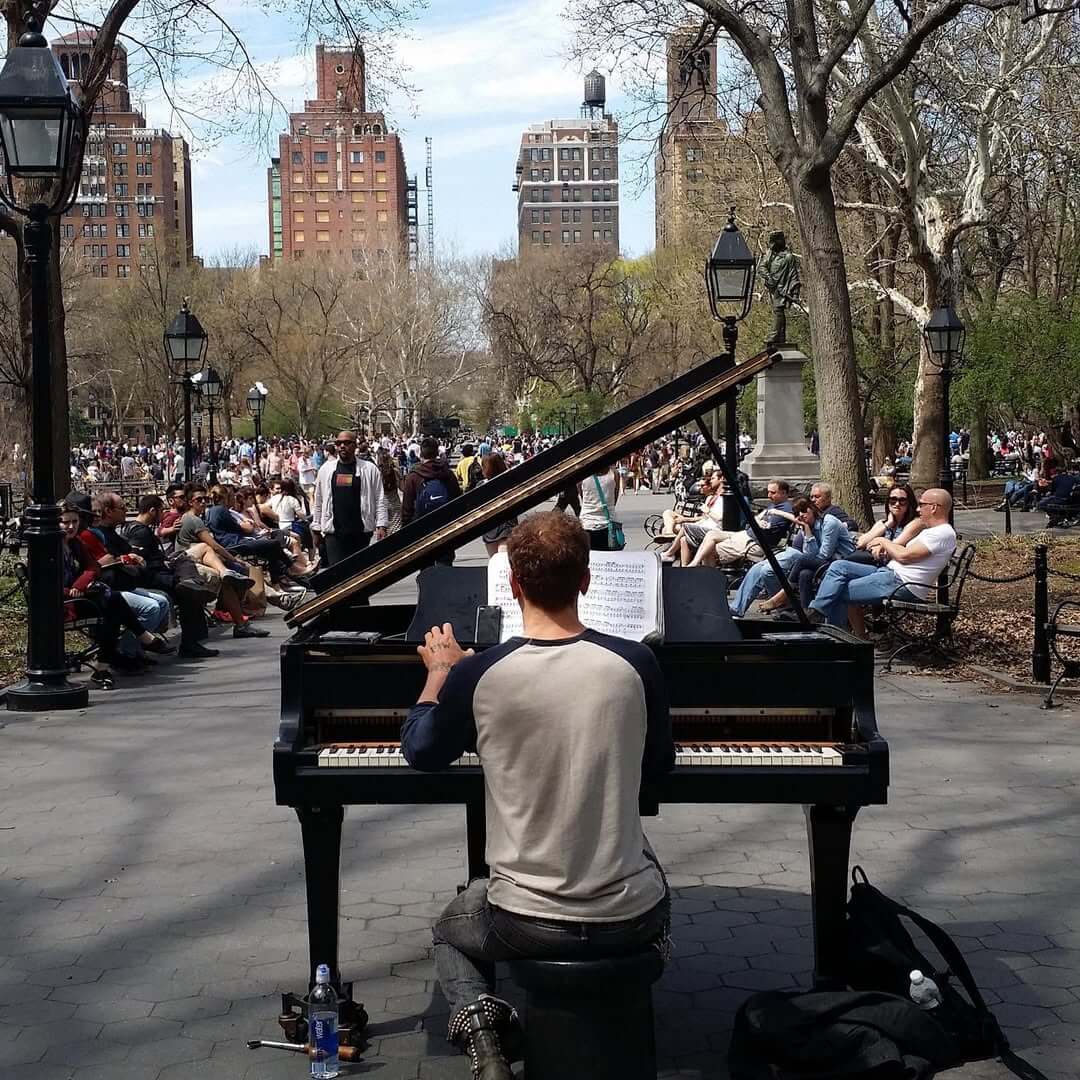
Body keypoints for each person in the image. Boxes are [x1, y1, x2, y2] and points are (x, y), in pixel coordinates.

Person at [402, 512, 672, 1080]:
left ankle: (488, 1043)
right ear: (587, 581)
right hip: (627, 915)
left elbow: (421, 751)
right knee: (656, 880)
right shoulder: (637, 663)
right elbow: (658, 773)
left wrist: (439, 677)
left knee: (450, 929)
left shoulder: (481, 674)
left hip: (523, 917)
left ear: (514, 585)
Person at [808, 488, 957, 632]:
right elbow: (897, 551)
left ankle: (835, 640)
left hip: (902, 583)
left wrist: (883, 541)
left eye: (922, 504)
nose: (918, 509)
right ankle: (818, 611)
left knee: (838, 592)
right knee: (839, 566)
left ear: (933, 508)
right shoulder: (934, 532)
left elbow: (904, 556)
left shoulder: (942, 533)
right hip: (890, 573)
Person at [60, 508, 170, 690]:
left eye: (75, 522)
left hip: (80, 597)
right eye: (65, 522)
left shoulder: (75, 543)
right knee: (113, 603)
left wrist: (79, 586)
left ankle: (105, 667)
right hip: (62, 606)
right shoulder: (48, 547)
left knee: (113, 605)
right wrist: (70, 591)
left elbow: (92, 568)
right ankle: (141, 639)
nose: (71, 526)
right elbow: (45, 585)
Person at [311, 431, 388, 566]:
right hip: (334, 534)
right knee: (338, 577)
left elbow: (379, 498)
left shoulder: (369, 469)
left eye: (347, 443)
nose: (342, 446)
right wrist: (316, 529)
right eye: (339, 443)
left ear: (355, 445)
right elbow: (319, 500)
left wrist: (382, 525)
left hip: (361, 533)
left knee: (360, 576)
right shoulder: (326, 470)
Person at [685, 480, 793, 567]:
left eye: (773, 493)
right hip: (746, 534)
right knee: (711, 535)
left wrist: (758, 521)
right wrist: (757, 521)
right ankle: (694, 564)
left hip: (754, 543)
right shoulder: (774, 505)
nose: (769, 495)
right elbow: (756, 520)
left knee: (709, 550)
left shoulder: (785, 509)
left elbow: (764, 526)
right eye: (768, 492)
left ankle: (708, 579)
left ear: (784, 493)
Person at [401, 437, 462, 527]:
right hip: (446, 525)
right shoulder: (448, 473)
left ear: (421, 454)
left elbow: (407, 508)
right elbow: (457, 499)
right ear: (437, 452)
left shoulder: (413, 477)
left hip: (423, 527)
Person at [478, 453, 517, 556]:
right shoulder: (510, 481)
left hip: (489, 529)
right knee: (506, 562)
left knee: (494, 562)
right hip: (507, 525)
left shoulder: (481, 486)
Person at [578, 463, 620, 550]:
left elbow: (582, 496)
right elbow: (614, 499)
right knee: (609, 559)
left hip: (587, 523)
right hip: (609, 525)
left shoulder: (581, 475)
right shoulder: (614, 473)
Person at [375, 447, 404, 534]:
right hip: (394, 502)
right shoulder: (395, 471)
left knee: (383, 532)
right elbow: (402, 488)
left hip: (381, 504)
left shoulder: (376, 472)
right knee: (396, 531)